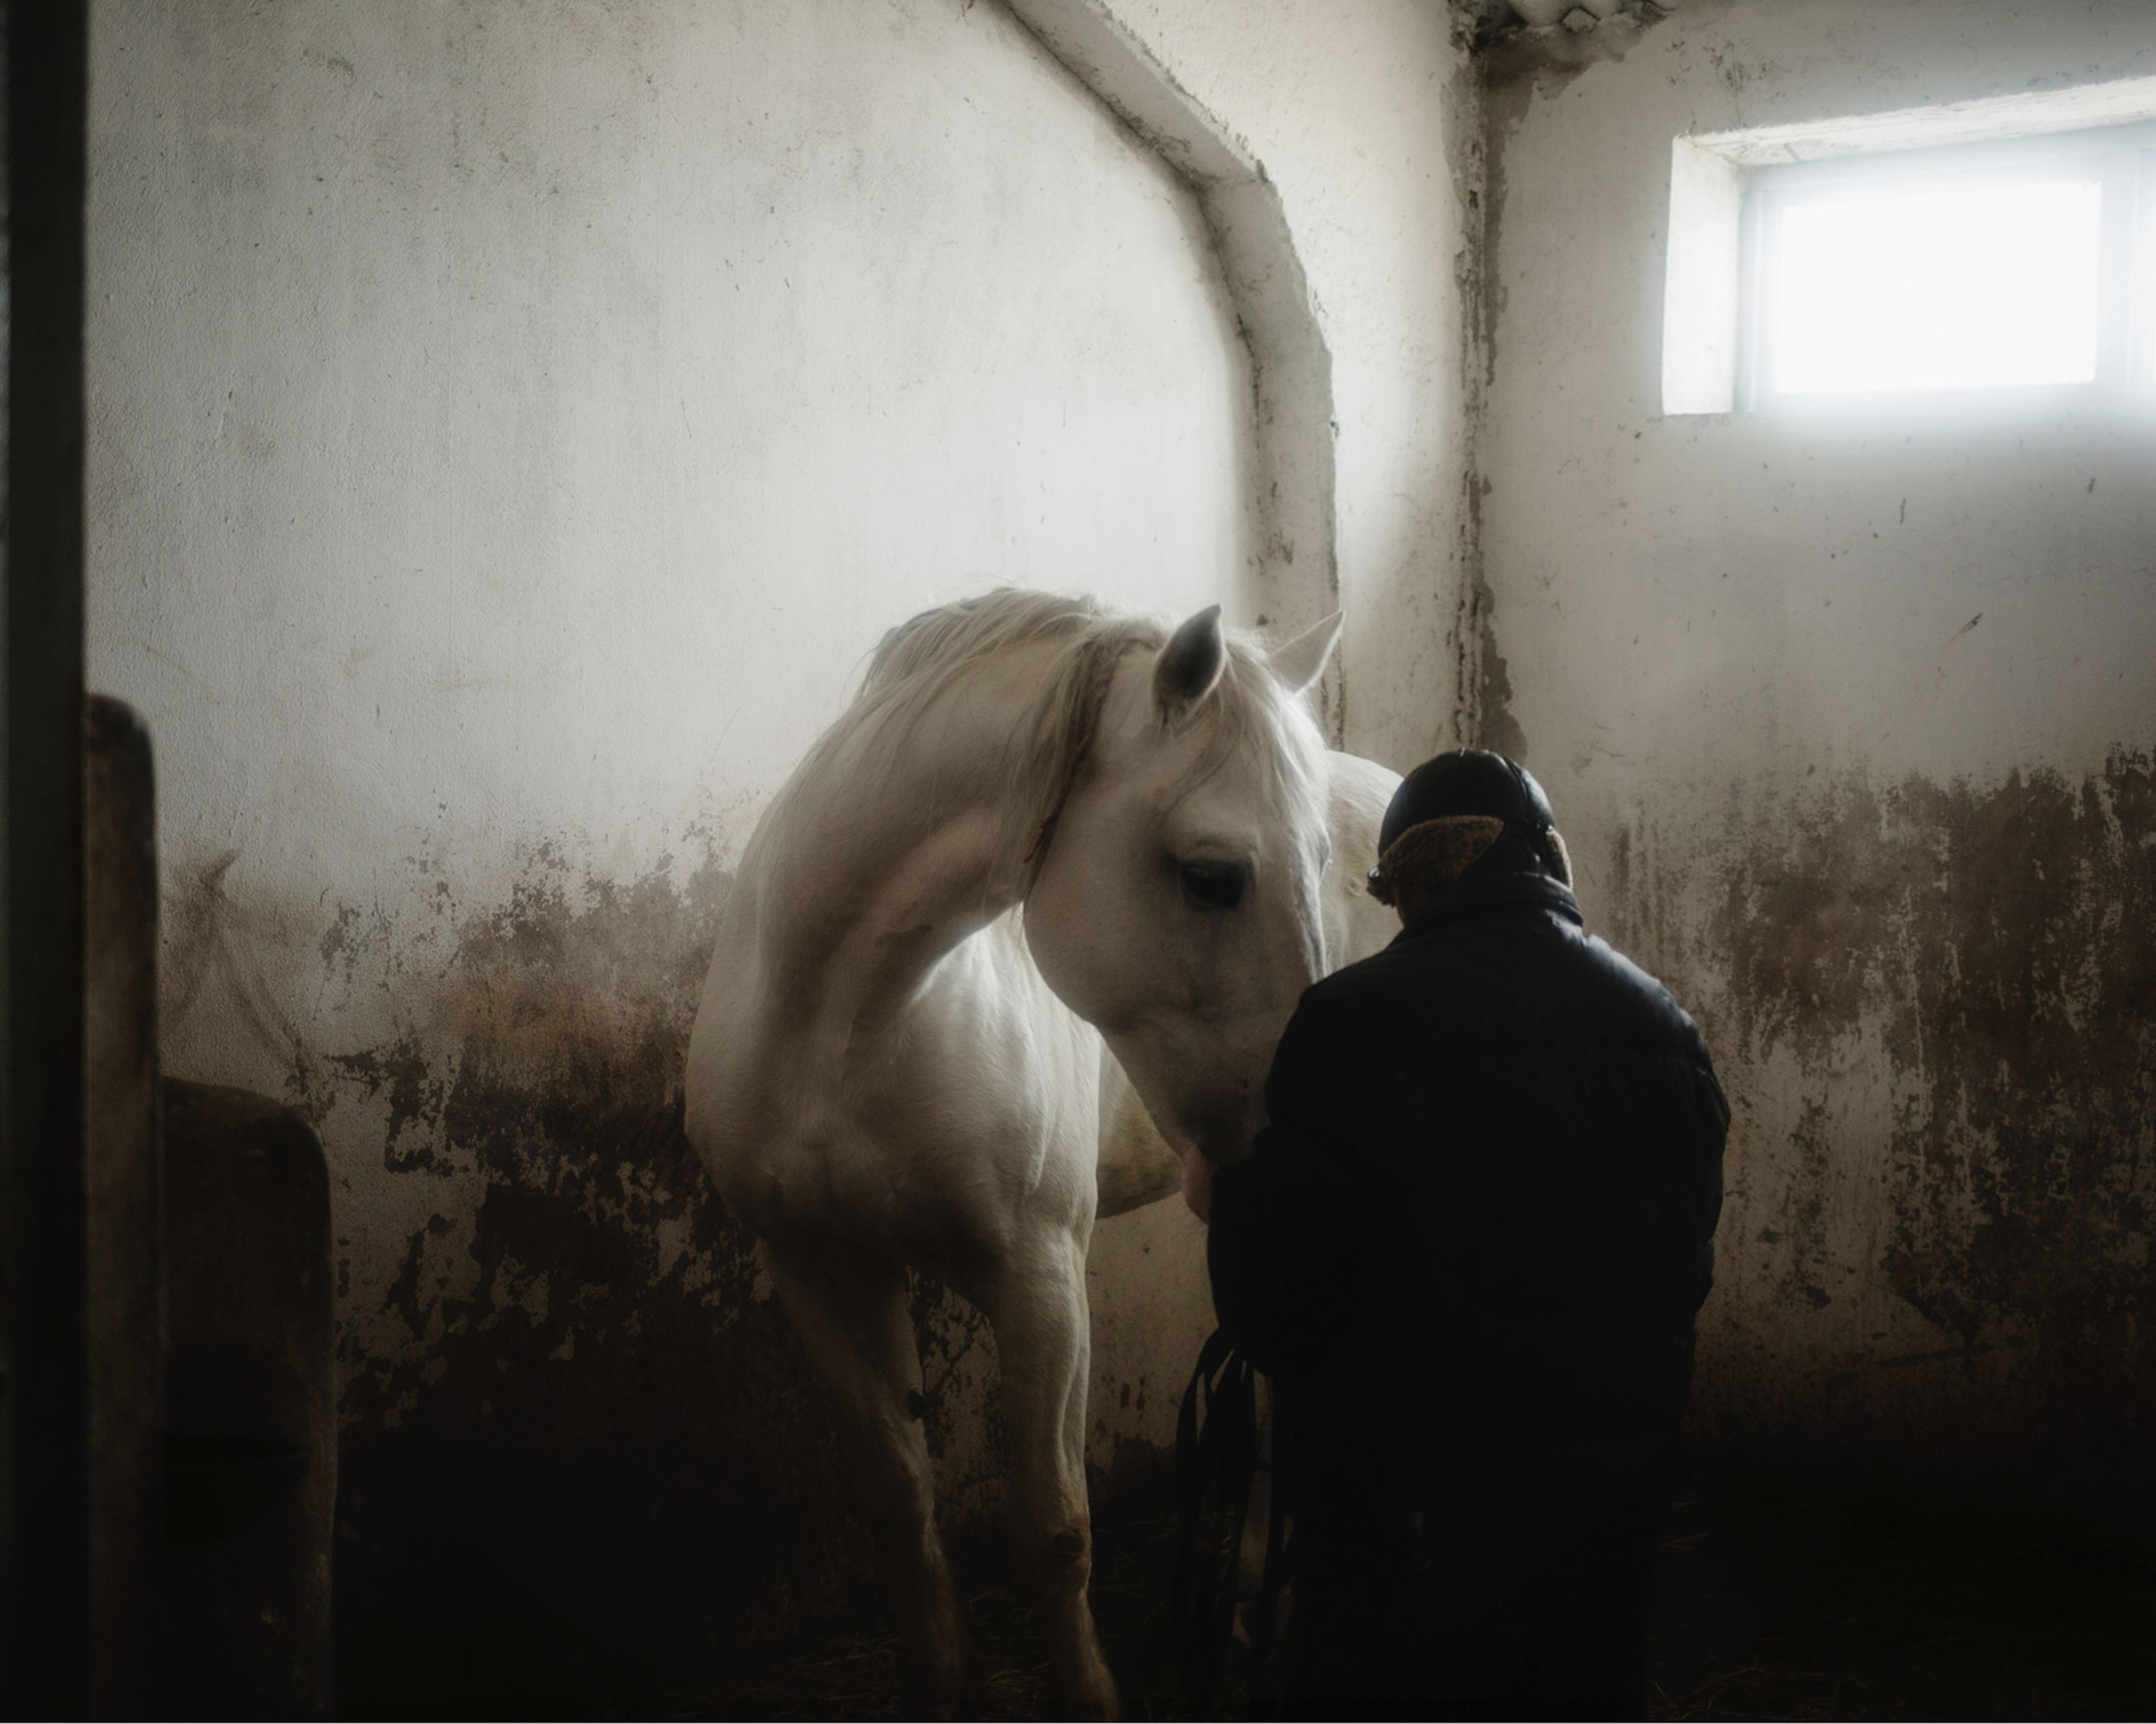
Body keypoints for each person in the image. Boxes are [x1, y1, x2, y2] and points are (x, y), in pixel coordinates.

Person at [1202, 749, 1728, 1720]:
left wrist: (1229, 1189)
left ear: (1409, 882)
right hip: (1612, 1509)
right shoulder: (1671, 1032)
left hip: (1413, 1525)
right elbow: (1681, 1269)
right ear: (1551, 861)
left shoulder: (1351, 1022)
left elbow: (1276, 1300)